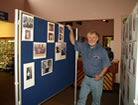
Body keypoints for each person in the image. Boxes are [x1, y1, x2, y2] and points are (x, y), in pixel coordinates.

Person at [67, 25, 111, 105]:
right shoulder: (84, 46)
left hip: (97, 80)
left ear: (97, 39)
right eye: (90, 37)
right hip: (86, 78)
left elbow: (107, 65)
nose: (91, 39)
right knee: (81, 99)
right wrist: (71, 31)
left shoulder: (101, 50)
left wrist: (100, 76)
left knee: (96, 101)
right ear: (87, 38)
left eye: (94, 37)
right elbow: (73, 41)